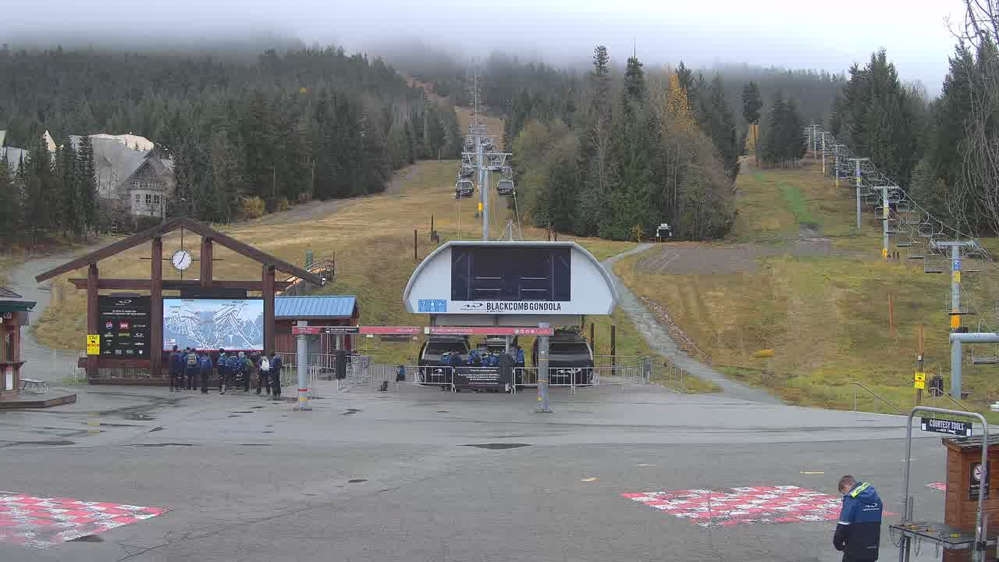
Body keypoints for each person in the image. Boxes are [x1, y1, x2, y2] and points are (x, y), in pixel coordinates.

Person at [833, 475, 883, 562]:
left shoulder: (851, 500)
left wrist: (838, 544)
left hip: (854, 551)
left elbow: (843, 525)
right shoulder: (876, 499)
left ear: (846, 486)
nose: (845, 495)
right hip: (872, 549)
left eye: (844, 492)